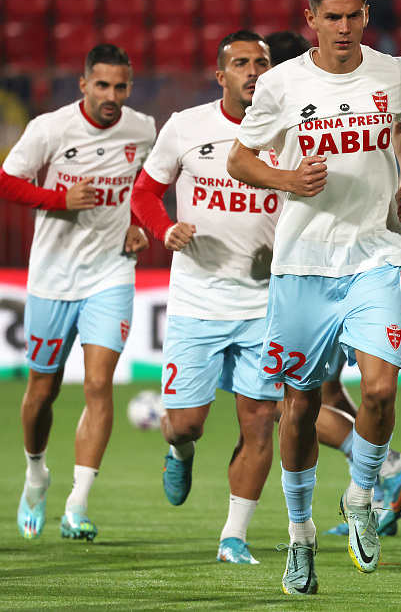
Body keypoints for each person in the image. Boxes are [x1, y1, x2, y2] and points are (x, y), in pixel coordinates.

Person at [226, 0, 401, 594]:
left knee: (380, 390)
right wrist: (286, 181)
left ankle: (361, 498)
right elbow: (239, 158)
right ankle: (300, 537)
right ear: (310, 19)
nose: (344, 27)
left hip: (374, 255)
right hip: (304, 265)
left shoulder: (393, 73)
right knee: (301, 407)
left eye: (354, 15)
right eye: (331, 17)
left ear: (367, 15)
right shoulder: (282, 83)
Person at [264, 28, 401, 540]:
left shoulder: (378, 77)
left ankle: (378, 476)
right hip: (298, 267)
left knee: (324, 396)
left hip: (362, 259)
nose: (255, 75)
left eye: (261, 63)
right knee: (314, 393)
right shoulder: (271, 103)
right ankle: (368, 484)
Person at [0, 44, 157, 543]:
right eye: (102, 85)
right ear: (83, 84)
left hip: (110, 273)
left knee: (98, 385)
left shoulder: (144, 130)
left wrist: (139, 224)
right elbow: (4, 183)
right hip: (52, 278)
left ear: (130, 87)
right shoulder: (50, 128)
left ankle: (77, 504)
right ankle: (36, 471)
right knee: (42, 392)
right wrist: (56, 199)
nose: (111, 96)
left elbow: (150, 188)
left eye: (120, 86)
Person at [129, 30, 281, 565]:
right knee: (189, 421)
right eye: (241, 62)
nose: (253, 70)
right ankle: (178, 447)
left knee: (261, 421)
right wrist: (164, 228)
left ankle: (233, 537)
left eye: (261, 61)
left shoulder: (292, 130)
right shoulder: (187, 126)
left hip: (265, 306)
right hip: (197, 301)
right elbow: (144, 191)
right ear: (222, 76)